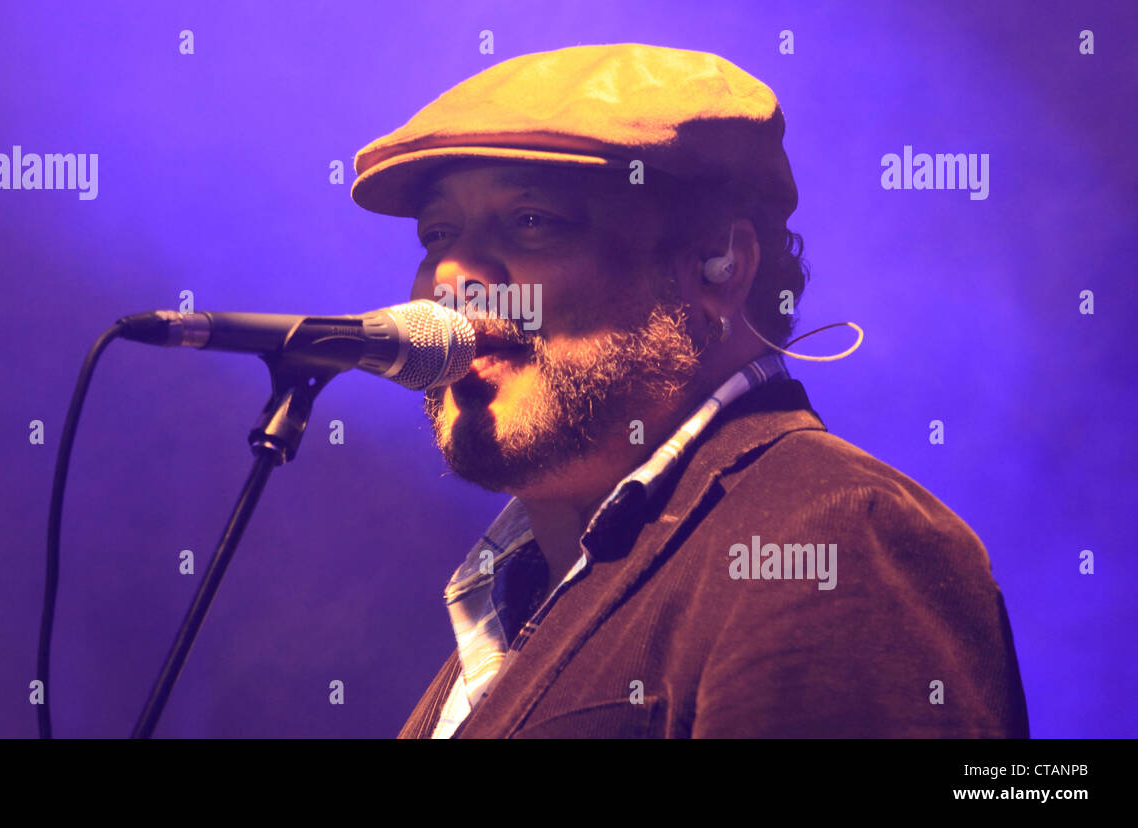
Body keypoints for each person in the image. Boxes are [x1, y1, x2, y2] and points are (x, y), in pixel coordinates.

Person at [349, 43, 1030, 738]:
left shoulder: (834, 537)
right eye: (437, 234)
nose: (450, 276)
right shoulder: (517, 597)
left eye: (532, 221)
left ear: (720, 270)